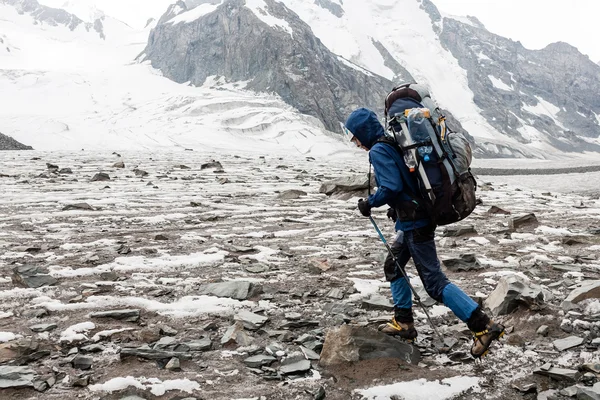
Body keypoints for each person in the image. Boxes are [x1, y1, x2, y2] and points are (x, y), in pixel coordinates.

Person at [344, 107, 504, 358]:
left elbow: (392, 186)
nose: (355, 143)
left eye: (355, 137)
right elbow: (406, 182)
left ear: (363, 132)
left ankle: (483, 325)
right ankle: (404, 323)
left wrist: (372, 202)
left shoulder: (378, 149)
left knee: (433, 282)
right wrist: (397, 208)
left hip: (416, 224)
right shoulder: (390, 143)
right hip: (413, 219)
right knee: (393, 265)